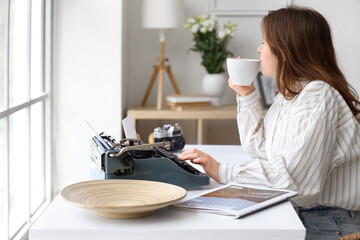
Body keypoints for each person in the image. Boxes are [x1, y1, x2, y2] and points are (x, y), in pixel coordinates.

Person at [179, 6, 360, 240]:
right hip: (306, 213)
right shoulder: (291, 97)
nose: (259, 49)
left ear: (285, 51)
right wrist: (246, 94)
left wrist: (223, 171)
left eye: (265, 42)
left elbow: (299, 186)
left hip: (328, 219)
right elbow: (260, 148)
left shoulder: (317, 95)